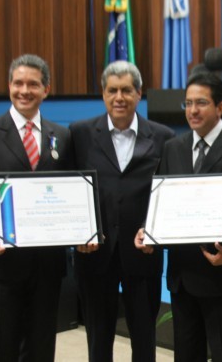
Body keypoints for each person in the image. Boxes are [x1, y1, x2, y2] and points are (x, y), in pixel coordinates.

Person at [135, 72, 222, 362]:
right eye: (188, 103)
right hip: (182, 276)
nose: (192, 110)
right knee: (186, 355)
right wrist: (148, 230)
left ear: (220, 107)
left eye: (201, 103)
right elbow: (161, 201)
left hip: (221, 273)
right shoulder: (173, 148)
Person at [0, 54, 74, 361]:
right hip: (1, 265)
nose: (25, 90)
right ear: (9, 86)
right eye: (18, 83)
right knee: (2, 350)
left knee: (41, 349)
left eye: (33, 84)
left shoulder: (61, 136)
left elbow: (71, 194)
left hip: (47, 267)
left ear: (46, 89)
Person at [70, 61, 174, 362]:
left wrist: (154, 231)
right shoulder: (80, 134)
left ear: (138, 94)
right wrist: (77, 231)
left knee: (144, 339)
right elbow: (70, 188)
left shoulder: (163, 137)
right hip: (93, 253)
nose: (119, 97)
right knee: (98, 340)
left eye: (126, 90)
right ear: (103, 95)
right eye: (112, 90)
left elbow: (166, 194)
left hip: (143, 254)